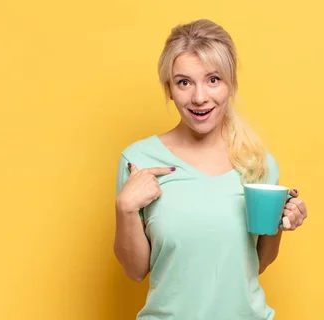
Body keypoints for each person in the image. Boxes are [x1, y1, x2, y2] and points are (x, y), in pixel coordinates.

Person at [113, 18, 308, 319]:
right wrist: (125, 209)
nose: (199, 98)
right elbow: (135, 271)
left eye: (213, 79)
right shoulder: (139, 160)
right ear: (169, 89)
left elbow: (258, 263)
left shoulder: (259, 163)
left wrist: (281, 223)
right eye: (184, 82)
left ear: (231, 85)